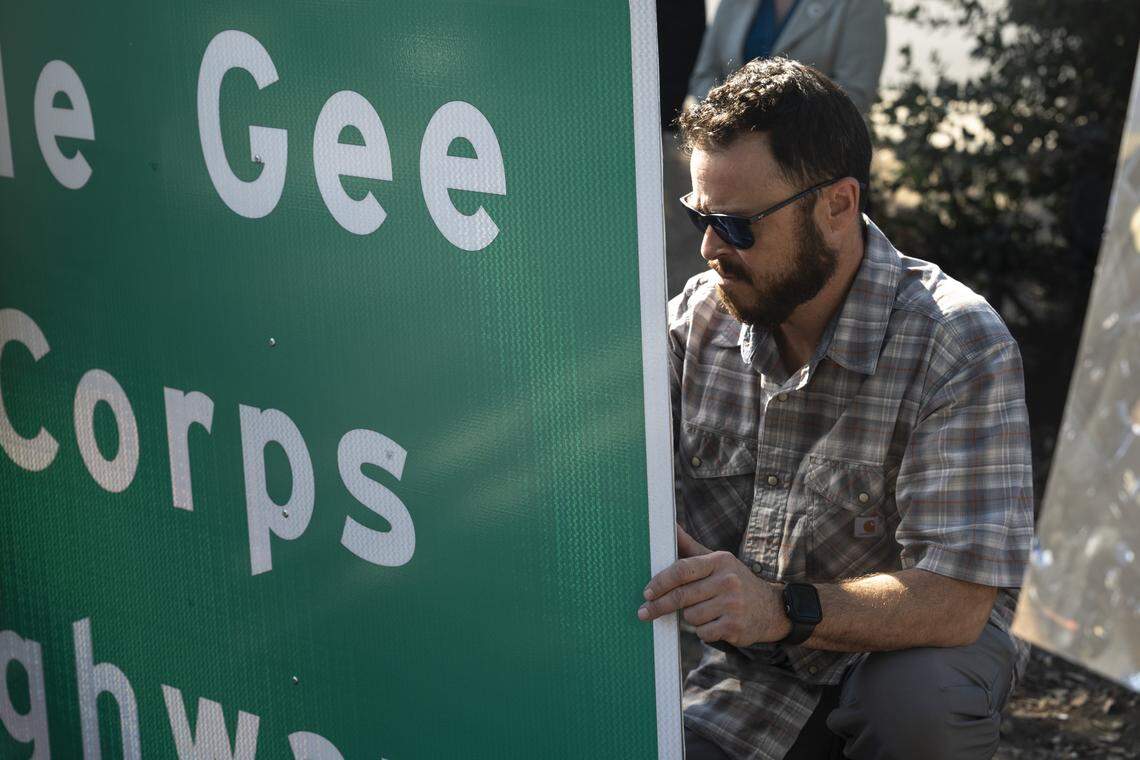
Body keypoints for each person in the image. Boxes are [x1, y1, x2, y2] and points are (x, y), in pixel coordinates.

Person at [637, 58, 1034, 760]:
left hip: (887, 665)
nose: (708, 248)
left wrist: (776, 608)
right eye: (698, 216)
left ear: (838, 205)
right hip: (733, 683)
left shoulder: (958, 342)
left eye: (735, 223)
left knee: (921, 704)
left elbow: (956, 599)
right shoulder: (695, 321)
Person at [687, 0, 886, 116]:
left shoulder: (859, 4)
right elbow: (704, 75)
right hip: (733, 158)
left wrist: (768, 125)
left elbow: (855, 94)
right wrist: (731, 120)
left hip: (812, 162)